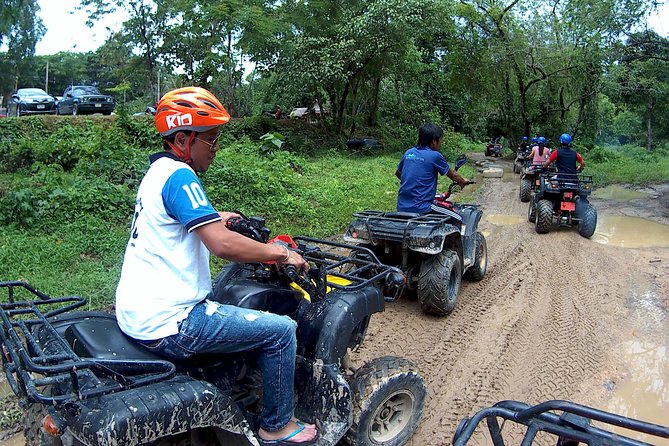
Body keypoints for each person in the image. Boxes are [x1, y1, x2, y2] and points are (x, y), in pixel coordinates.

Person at [115, 87, 318, 445]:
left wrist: (214, 216)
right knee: (281, 330)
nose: (215, 147)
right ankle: (276, 426)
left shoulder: (159, 171)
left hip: (138, 312)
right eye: (210, 140)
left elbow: (176, 218)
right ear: (182, 139)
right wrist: (281, 253)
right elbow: (222, 245)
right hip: (173, 321)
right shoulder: (181, 177)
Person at [396, 123, 469, 215]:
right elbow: (453, 175)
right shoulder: (435, 156)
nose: (440, 144)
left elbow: (399, 174)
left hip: (401, 206)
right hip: (423, 207)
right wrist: (462, 181)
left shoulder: (408, 153)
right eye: (440, 141)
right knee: (458, 217)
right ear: (434, 141)